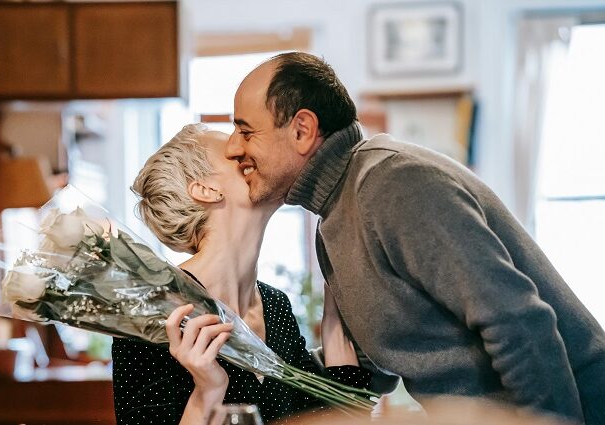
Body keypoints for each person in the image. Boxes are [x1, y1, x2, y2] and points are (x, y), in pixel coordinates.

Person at [225, 51, 605, 424]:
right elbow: (384, 359)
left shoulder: (392, 184)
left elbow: (519, 323)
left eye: (245, 131)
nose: (233, 147)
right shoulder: (333, 220)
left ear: (302, 130)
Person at [111, 124, 372, 425]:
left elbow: (328, 418)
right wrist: (207, 392)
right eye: (233, 155)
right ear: (206, 189)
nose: (245, 152)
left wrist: (336, 332)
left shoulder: (276, 307)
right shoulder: (151, 309)